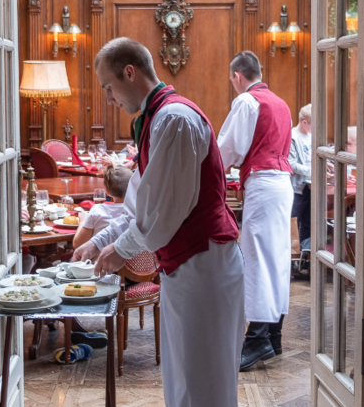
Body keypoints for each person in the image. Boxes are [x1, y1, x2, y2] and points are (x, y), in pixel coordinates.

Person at [72, 37, 244, 407]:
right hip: (187, 266)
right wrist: (101, 242)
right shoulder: (159, 119)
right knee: (184, 379)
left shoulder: (174, 120)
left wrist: (120, 251)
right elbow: (139, 207)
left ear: (129, 73)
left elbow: (162, 216)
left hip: (205, 264)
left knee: (205, 384)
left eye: (108, 87)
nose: (108, 98)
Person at [217, 50, 294, 371]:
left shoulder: (248, 102)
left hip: (262, 185)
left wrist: (211, 169)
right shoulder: (282, 104)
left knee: (256, 258)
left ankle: (257, 338)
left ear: (238, 76)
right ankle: (274, 332)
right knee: (276, 257)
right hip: (283, 184)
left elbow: (227, 148)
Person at [72, 164, 132, 248]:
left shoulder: (97, 210)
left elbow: (78, 244)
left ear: (107, 192)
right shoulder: (137, 212)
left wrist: (83, 221)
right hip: (133, 260)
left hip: (97, 260)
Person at [289, 104, 312, 249]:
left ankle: (306, 256)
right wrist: (313, 170)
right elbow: (291, 164)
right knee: (292, 220)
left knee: (308, 223)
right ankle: (293, 257)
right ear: (304, 122)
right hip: (297, 187)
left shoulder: (311, 136)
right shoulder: (292, 137)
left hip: (311, 186)